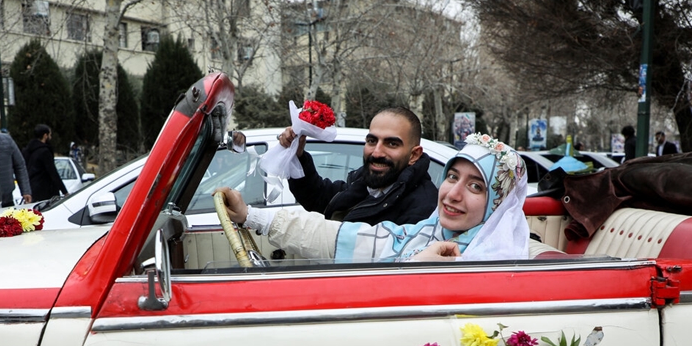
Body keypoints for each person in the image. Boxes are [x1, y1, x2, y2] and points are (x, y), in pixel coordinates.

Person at [217, 136, 529, 263]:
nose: (454, 194)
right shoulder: (427, 231)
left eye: (476, 187)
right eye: (451, 177)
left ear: (498, 205)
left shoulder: (486, 263)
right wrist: (252, 216)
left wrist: (420, 269)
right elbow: (348, 236)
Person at [278, 107, 437, 226]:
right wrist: (297, 155)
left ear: (414, 155)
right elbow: (320, 199)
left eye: (392, 144)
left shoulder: (423, 209)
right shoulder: (364, 183)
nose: (377, 153)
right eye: (372, 141)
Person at [23, 124, 68, 202]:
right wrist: (65, 192)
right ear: (45, 136)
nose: (50, 137)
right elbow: (53, 172)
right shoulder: (45, 152)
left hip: (31, 188)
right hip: (45, 191)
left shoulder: (27, 150)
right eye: (50, 135)